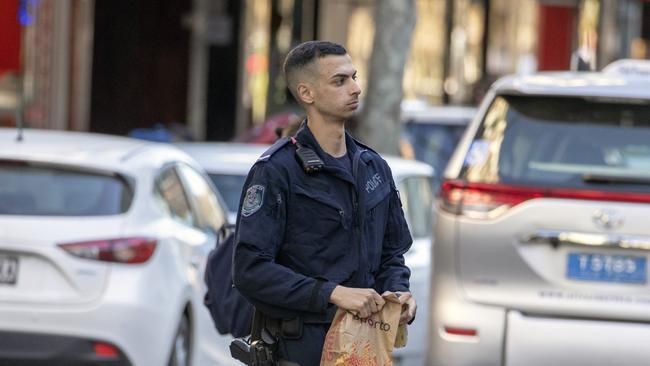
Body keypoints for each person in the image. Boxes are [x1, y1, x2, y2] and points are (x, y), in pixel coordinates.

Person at [233, 40, 416, 365]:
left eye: (354, 77)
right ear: (307, 93)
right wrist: (332, 293)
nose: (355, 88)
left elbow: (392, 255)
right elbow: (250, 271)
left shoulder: (374, 168)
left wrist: (398, 292)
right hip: (302, 351)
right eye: (340, 81)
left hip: (365, 350)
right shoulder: (276, 171)